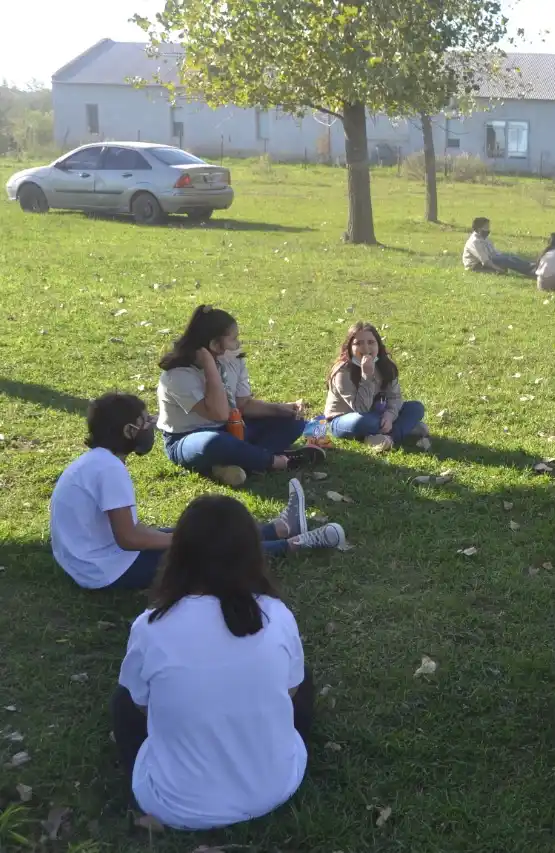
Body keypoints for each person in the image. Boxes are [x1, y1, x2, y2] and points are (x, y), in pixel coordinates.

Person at [111, 494, 315, 829]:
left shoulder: (150, 627)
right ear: (252, 554)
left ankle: (153, 785)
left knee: (123, 700)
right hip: (276, 788)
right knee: (300, 676)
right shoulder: (276, 615)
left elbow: (143, 708)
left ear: (178, 556)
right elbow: (290, 693)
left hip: (175, 805)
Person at [50, 393, 347, 591]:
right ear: (129, 431)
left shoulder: (97, 462)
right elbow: (128, 538)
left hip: (92, 559)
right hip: (106, 569)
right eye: (146, 422)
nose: (151, 427)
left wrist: (176, 536)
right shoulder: (109, 470)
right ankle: (296, 544)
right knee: (205, 549)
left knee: (198, 531)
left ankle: (280, 528)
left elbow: (127, 531)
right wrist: (179, 542)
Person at [157, 305, 321, 487]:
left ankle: (230, 465)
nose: (238, 344)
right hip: (188, 437)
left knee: (294, 421)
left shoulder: (233, 358)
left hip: (233, 426)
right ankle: (274, 461)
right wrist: (210, 366)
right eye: (233, 339)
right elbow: (218, 413)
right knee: (214, 442)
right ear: (214, 345)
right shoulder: (177, 375)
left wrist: (281, 409)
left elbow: (243, 405)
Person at [324, 322, 430, 452]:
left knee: (416, 407)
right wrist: (366, 376)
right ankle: (404, 429)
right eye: (358, 343)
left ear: (378, 345)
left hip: (378, 413)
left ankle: (386, 438)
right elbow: (361, 409)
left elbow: (394, 397)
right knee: (368, 421)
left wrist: (390, 415)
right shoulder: (342, 372)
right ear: (349, 347)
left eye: (371, 342)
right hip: (347, 418)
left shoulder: (386, 365)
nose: (366, 348)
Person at [462, 217, 535, 276]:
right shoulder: (475, 242)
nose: (488, 229)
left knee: (510, 257)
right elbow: (485, 261)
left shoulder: (483, 238)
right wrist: (498, 269)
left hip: (489, 259)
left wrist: (504, 256)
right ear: (479, 229)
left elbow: (494, 253)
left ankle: (531, 266)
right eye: (486, 227)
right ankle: (531, 271)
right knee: (506, 260)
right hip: (477, 265)